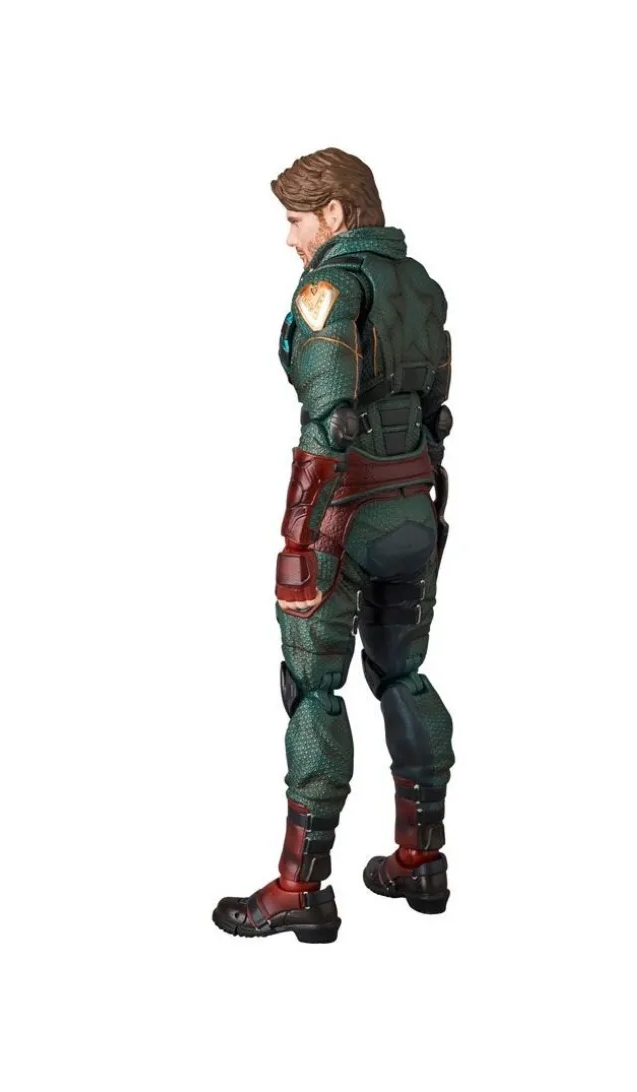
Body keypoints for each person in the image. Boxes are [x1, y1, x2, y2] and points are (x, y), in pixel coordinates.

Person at [212, 148, 454, 942]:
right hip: (413, 510)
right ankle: (421, 859)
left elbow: (330, 420)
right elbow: (436, 414)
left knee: (313, 691)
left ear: (338, 214)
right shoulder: (421, 286)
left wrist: (298, 534)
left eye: (296, 220)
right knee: (404, 676)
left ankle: (300, 887)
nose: (290, 238)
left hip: (344, 513)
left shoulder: (331, 287)